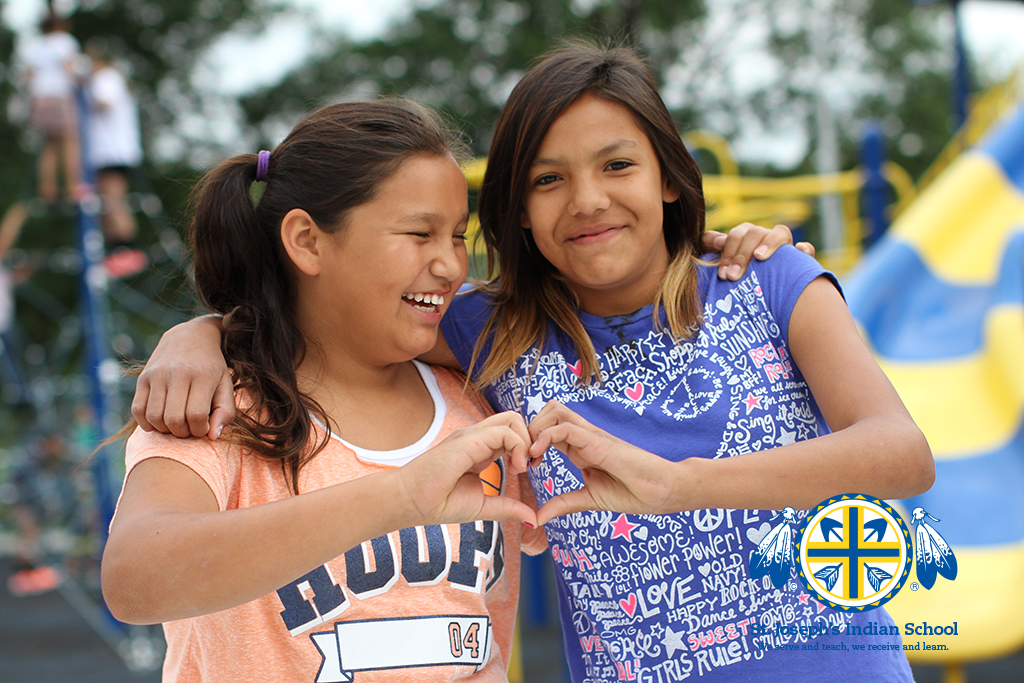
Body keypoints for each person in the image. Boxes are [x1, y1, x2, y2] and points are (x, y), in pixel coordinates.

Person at [126, 43, 931, 682]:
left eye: (618, 165)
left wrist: (680, 486)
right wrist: (202, 332)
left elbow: (901, 453)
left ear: (670, 180)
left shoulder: (770, 282)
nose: (586, 200)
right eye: (549, 180)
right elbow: (329, 315)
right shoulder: (499, 331)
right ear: (518, 211)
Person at [100, 99, 548, 682]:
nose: (449, 264)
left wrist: (702, 264)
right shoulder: (218, 405)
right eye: (419, 233)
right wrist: (400, 498)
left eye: (459, 236)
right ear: (308, 241)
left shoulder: (481, 397)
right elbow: (135, 581)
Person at [84, 42, 148, 278]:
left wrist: (83, 86)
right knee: (107, 203)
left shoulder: (106, 78)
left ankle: (128, 250)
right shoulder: (109, 78)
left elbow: (104, 101)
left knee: (114, 201)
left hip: (112, 152)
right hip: (108, 153)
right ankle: (116, 250)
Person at [20, 12, 85, 203]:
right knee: (70, 140)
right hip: (59, 95)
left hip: (39, 97)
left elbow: (28, 75)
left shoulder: (36, 46)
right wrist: (81, 83)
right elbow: (70, 66)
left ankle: (46, 188)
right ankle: (73, 188)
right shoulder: (65, 41)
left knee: (49, 144)